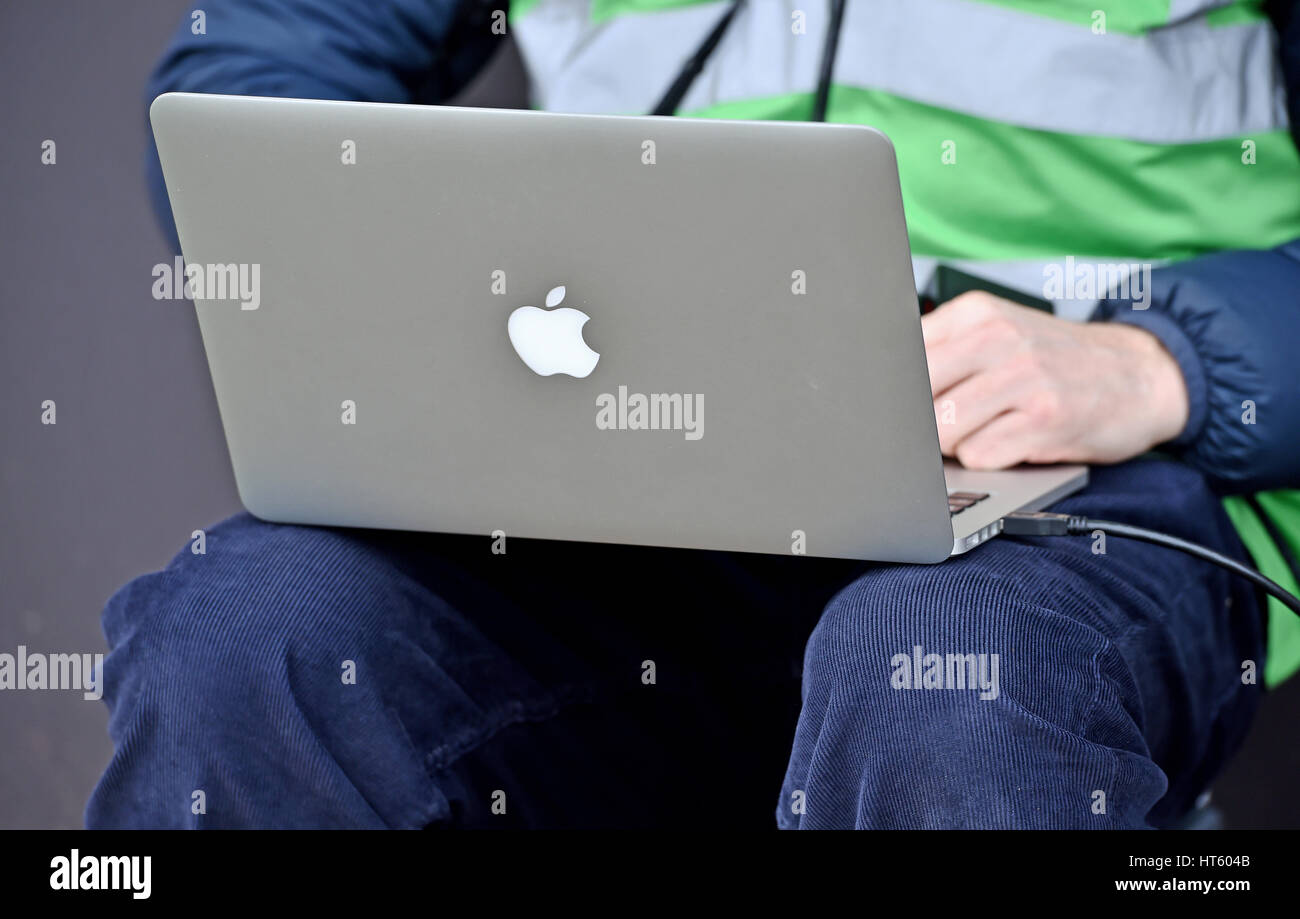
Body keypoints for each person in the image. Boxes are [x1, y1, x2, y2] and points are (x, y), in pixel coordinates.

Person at [88, 0, 1300, 828]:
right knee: (247, 639)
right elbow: (247, 87)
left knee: (944, 679)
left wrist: (1161, 361)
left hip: (1091, 456)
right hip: (628, 462)